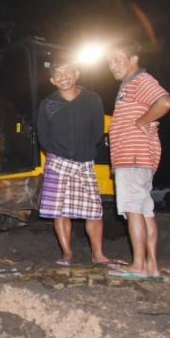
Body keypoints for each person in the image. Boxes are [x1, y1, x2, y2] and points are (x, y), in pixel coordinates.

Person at [106, 39, 170, 281]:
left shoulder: (140, 80)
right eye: (109, 62)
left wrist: (141, 122)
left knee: (133, 209)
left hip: (132, 157)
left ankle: (138, 266)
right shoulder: (128, 86)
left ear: (133, 59)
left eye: (117, 59)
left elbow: (165, 102)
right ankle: (152, 267)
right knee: (145, 212)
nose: (112, 65)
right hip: (137, 157)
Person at [36, 60, 114, 267]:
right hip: (57, 162)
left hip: (84, 161)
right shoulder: (47, 103)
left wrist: (84, 152)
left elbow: (97, 131)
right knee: (59, 211)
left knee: (94, 211)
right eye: (58, 74)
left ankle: (98, 255)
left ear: (77, 73)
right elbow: (43, 135)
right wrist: (58, 152)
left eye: (67, 72)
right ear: (52, 81)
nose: (63, 77)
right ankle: (67, 254)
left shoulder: (92, 99)